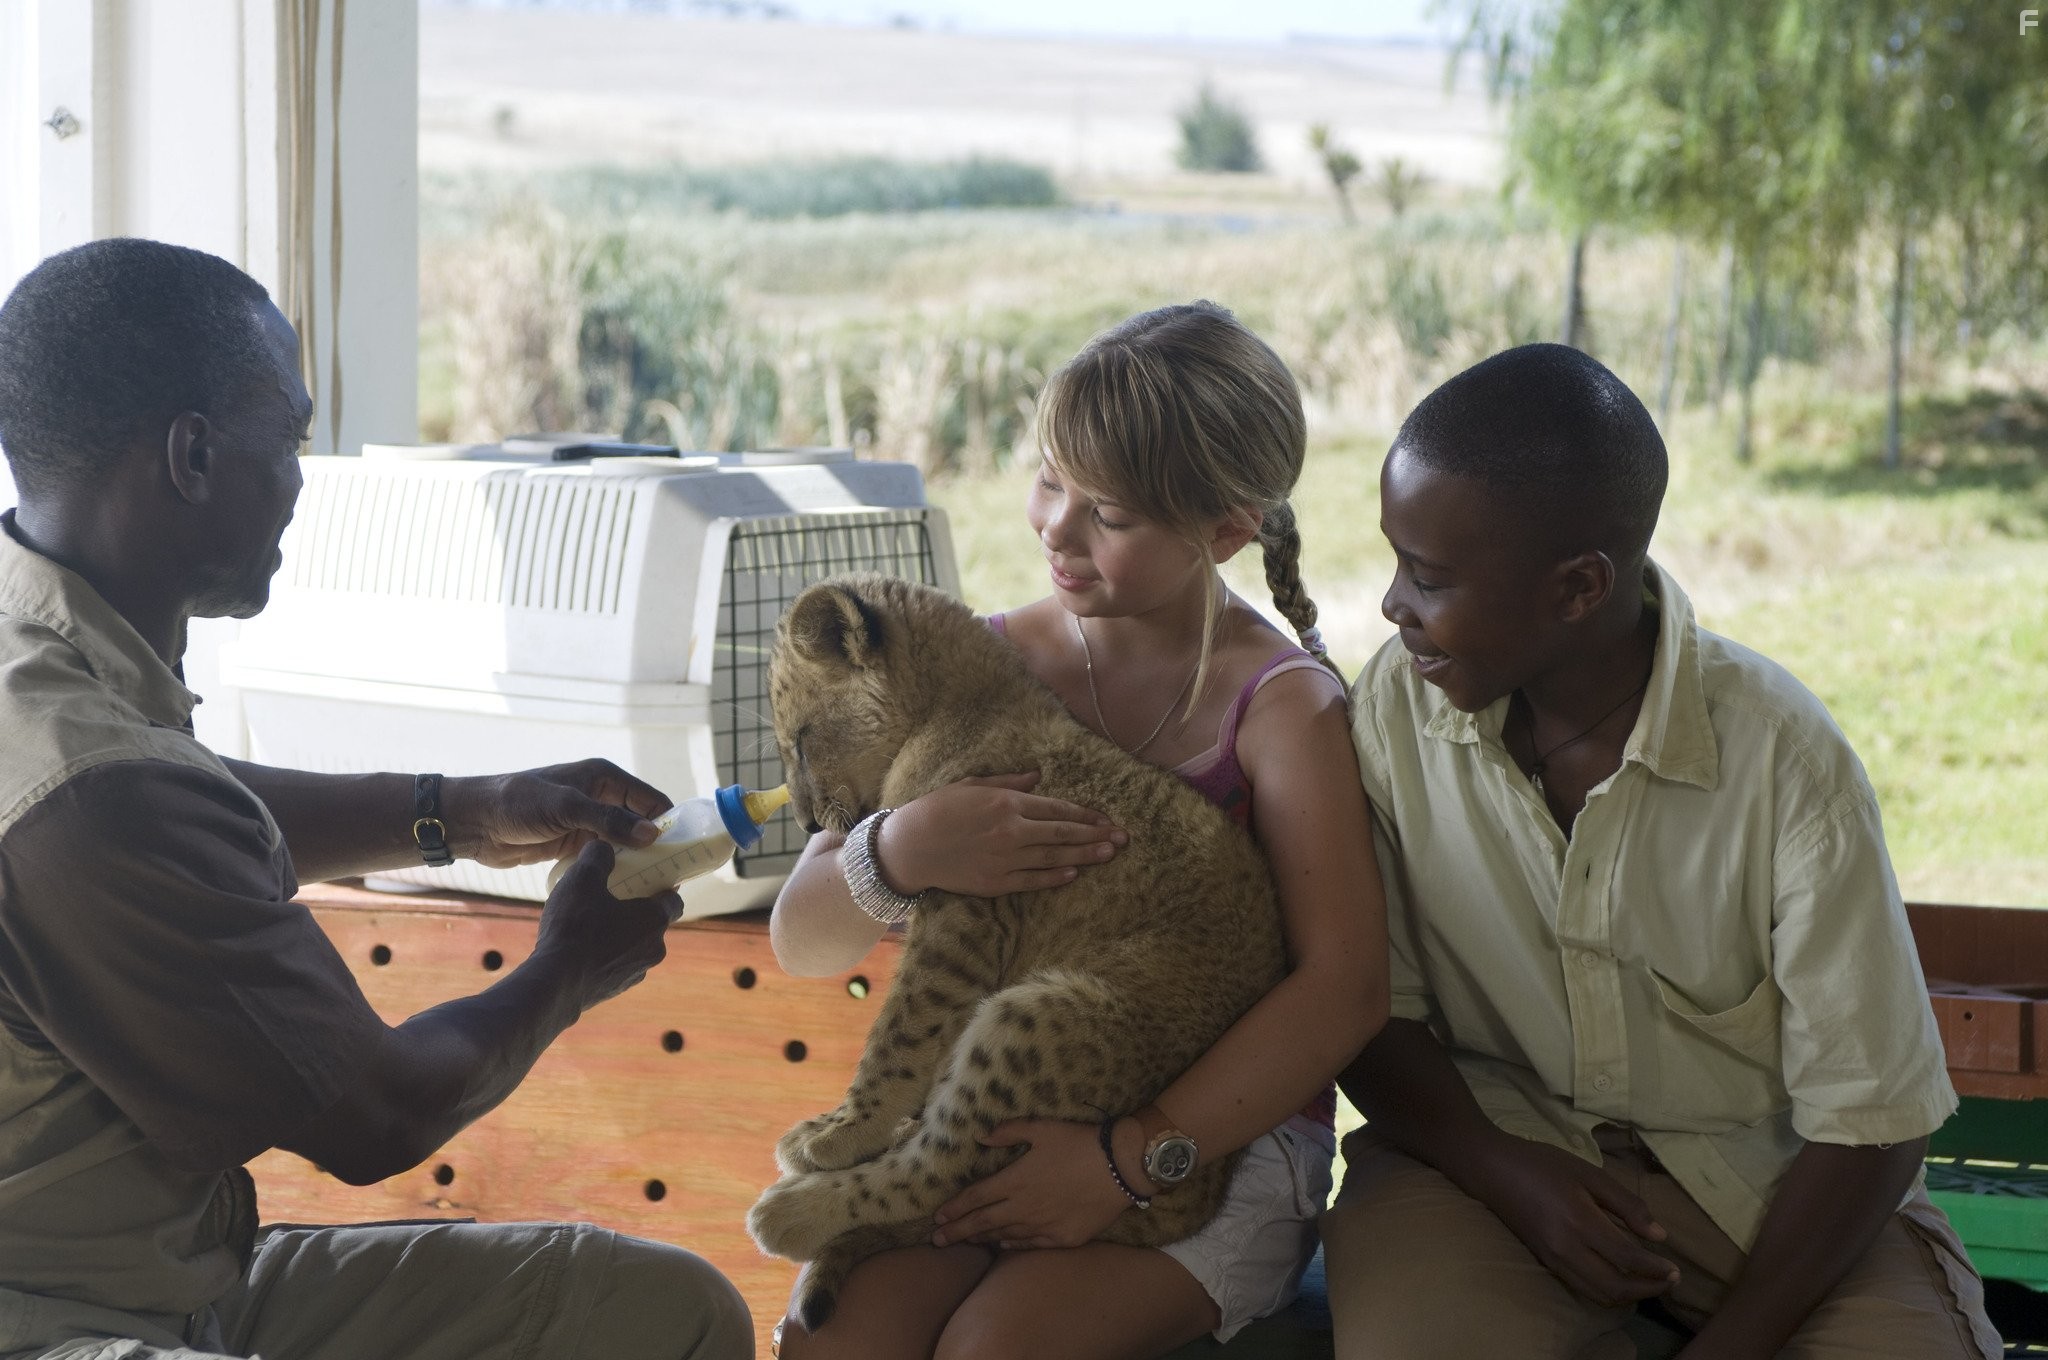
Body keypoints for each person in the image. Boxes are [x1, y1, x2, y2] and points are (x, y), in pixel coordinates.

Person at [0, 238, 753, 1360]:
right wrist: (568, 965)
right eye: (289, 440)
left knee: (663, 1312)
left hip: (185, 1285)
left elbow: (189, 807)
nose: (300, 480)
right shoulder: (90, 790)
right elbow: (379, 1115)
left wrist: (462, 807)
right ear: (193, 455)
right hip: (57, 1322)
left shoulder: (49, 657)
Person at [1321, 342, 2001, 1359]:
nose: (1389, 606)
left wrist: (1731, 1344)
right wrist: (1501, 1168)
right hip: (1482, 1162)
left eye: (1426, 577)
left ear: (1578, 586)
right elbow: (1370, 1010)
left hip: (1773, 1199)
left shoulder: (1781, 760)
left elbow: (1872, 1114)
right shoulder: (1394, 706)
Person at [766, 301, 1388, 1359]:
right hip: (984, 1111)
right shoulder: (977, 665)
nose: (1055, 526)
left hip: (1212, 1142)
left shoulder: (1280, 708)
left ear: (1226, 530)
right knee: (836, 1337)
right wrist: (900, 848)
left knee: (996, 1346)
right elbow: (801, 939)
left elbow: (1344, 989)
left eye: (1108, 514)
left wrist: (1126, 1157)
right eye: (1049, 478)